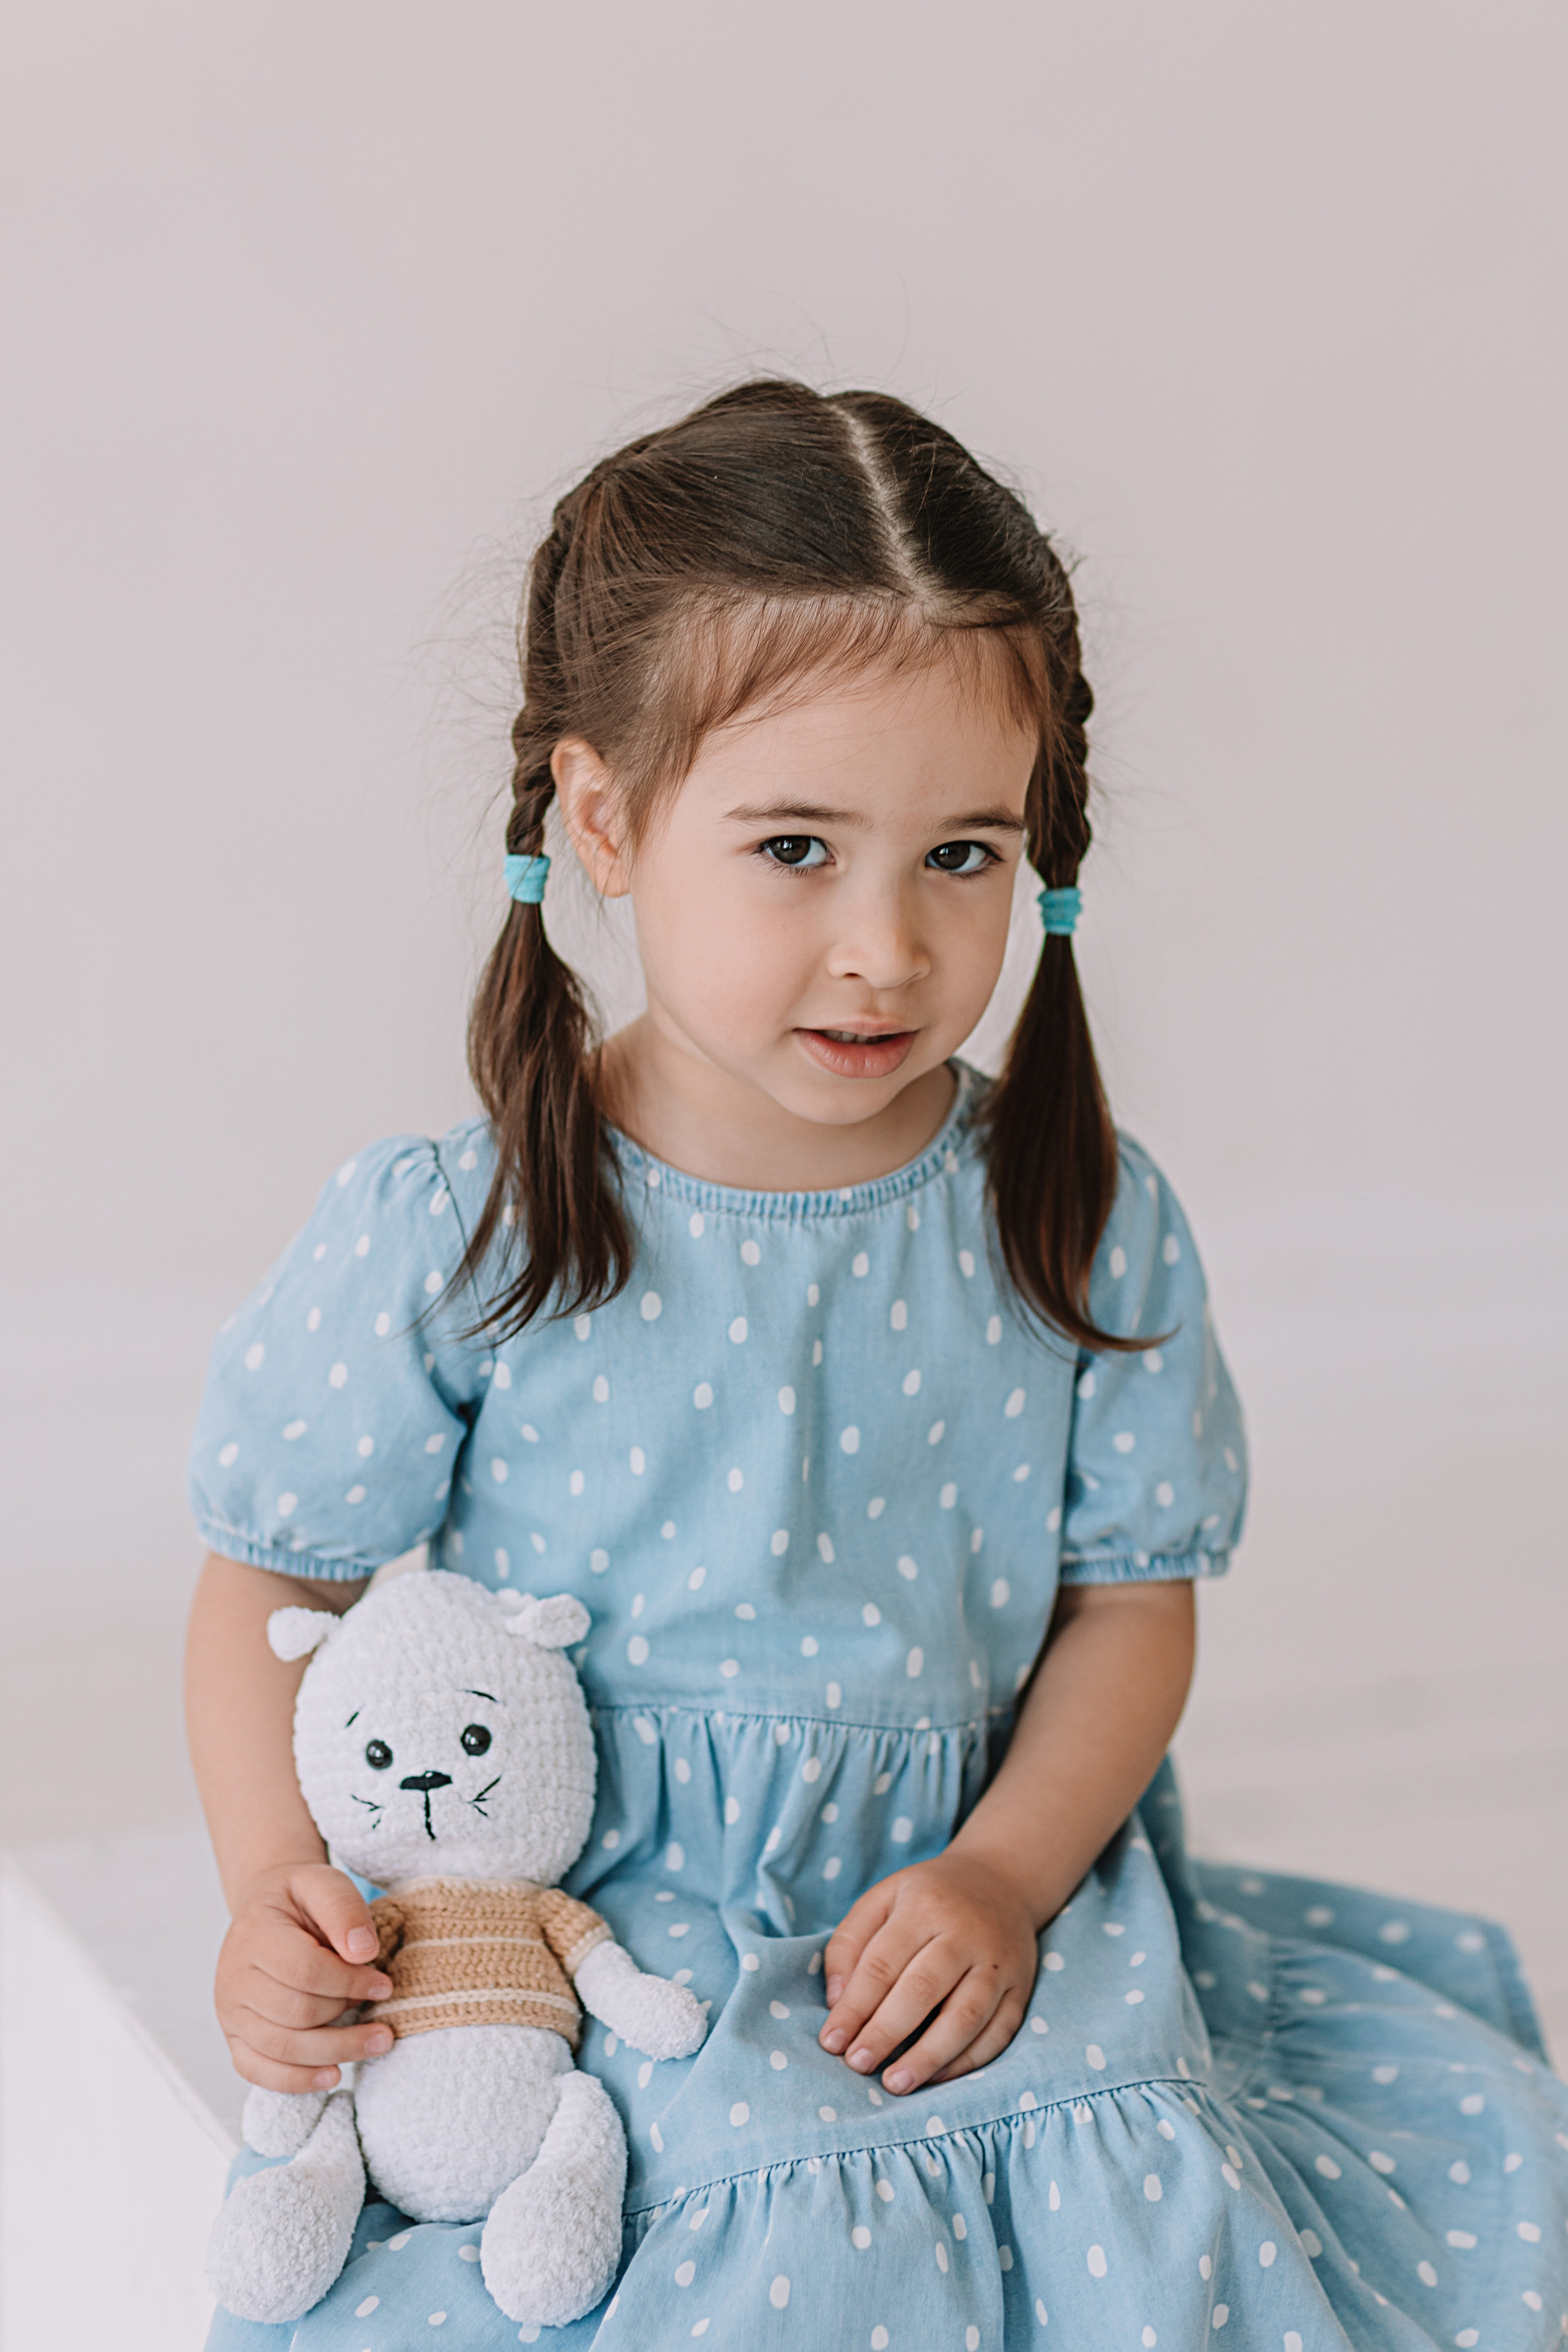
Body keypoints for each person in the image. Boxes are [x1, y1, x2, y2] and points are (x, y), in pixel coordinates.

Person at [186, 380, 1567, 2349]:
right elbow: (275, 1582)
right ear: (605, 819)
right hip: (596, 1897)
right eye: (796, 847)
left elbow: (1130, 1605)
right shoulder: (469, 1224)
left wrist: (1005, 1874)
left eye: (963, 856)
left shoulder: (1070, 1211)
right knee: (755, 2228)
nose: (889, 949)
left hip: (959, 1883)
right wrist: (273, 1884)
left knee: (1141, 2195)